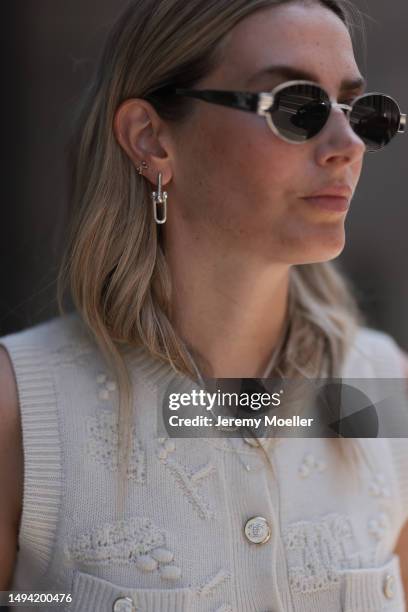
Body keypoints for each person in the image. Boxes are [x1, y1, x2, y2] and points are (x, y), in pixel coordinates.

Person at [1, 0, 408, 610]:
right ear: (151, 139)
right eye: (297, 107)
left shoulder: (384, 388)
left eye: (363, 114)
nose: (347, 145)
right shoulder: (21, 415)